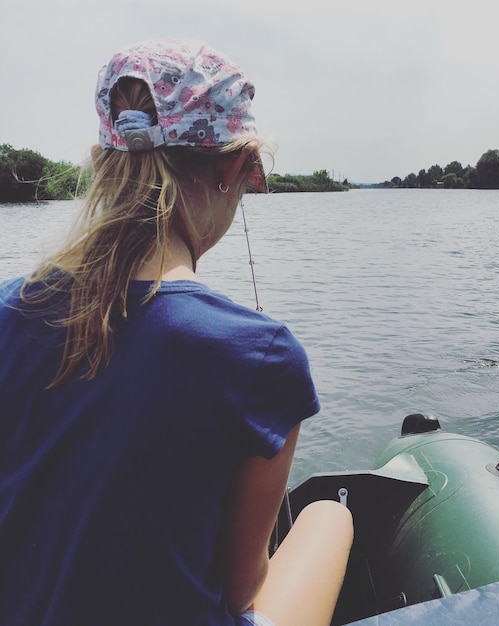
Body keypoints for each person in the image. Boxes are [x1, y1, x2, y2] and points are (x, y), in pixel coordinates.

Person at [0, 39, 353, 626]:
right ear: (237, 167)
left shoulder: (9, 307)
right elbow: (241, 590)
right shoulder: (260, 354)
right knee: (328, 518)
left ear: (103, 160)